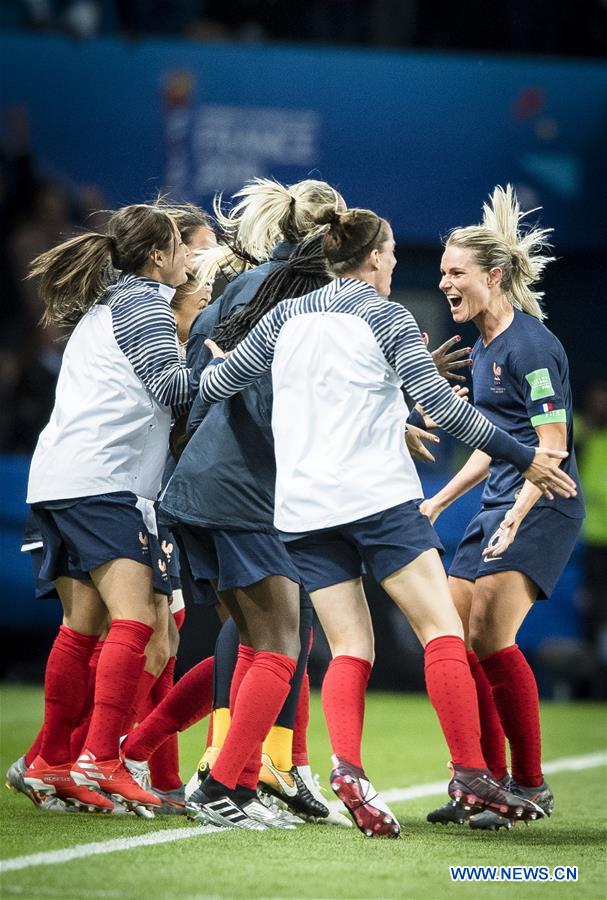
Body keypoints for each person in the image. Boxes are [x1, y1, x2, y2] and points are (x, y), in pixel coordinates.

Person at [199, 207, 578, 837]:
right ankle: (470, 771)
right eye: (396, 250)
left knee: (351, 646)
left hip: (302, 510)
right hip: (376, 499)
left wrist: (201, 367)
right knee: (441, 632)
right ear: (374, 257)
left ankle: (348, 765)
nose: (402, 262)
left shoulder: (286, 316)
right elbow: (441, 411)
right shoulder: (387, 314)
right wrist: (523, 457)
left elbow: (221, 382)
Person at [21, 202, 192, 814]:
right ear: (156, 256)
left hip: (58, 479)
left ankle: (51, 761)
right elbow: (172, 387)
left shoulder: (104, 306)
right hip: (103, 483)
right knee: (137, 621)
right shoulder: (144, 303)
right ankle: (100, 758)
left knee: (81, 628)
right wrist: (237, 364)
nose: (186, 259)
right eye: (180, 246)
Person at [423, 185, 585, 830]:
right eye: (440, 274)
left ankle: (531, 782)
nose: (444, 284)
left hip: (545, 503)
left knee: (489, 635)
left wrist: (514, 519)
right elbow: (494, 447)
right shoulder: (486, 346)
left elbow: (550, 450)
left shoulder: (533, 347)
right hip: (499, 502)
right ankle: (483, 785)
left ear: (493, 276)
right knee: (452, 638)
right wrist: (438, 501)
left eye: (455, 273)